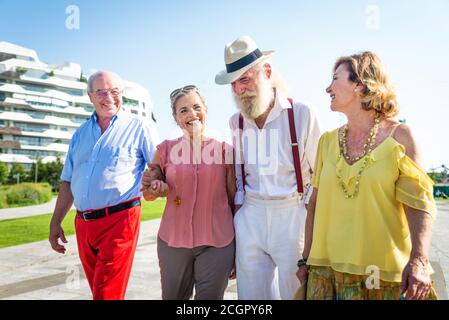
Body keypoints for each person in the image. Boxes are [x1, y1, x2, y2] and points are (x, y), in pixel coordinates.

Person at [297, 51, 438, 300]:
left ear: (360, 84)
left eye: (335, 78)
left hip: (382, 276)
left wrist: (419, 260)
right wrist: (305, 261)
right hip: (325, 271)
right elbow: (314, 204)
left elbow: (419, 205)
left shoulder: (401, 136)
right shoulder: (327, 142)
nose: (327, 87)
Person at [215, 35, 321, 300]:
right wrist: (239, 218)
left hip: (292, 214)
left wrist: (309, 221)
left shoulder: (302, 113)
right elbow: (239, 179)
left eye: (246, 79)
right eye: (234, 84)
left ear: (268, 72)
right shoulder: (235, 122)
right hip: (251, 216)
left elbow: (320, 176)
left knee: (296, 293)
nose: (240, 89)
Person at [49, 71, 160, 300]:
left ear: (122, 95)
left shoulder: (140, 127)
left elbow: (159, 167)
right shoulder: (80, 134)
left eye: (114, 91)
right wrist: (55, 221)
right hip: (83, 224)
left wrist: (156, 184)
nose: (108, 97)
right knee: (101, 291)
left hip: (120, 220)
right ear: (90, 96)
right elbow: (68, 181)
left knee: (105, 294)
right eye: (101, 91)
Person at [141, 85, 236, 300]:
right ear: (176, 118)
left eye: (196, 107)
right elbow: (148, 192)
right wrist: (156, 188)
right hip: (173, 243)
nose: (192, 114)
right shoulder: (164, 150)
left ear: (206, 110)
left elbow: (233, 199)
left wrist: (238, 248)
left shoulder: (225, 151)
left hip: (217, 244)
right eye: (183, 110)